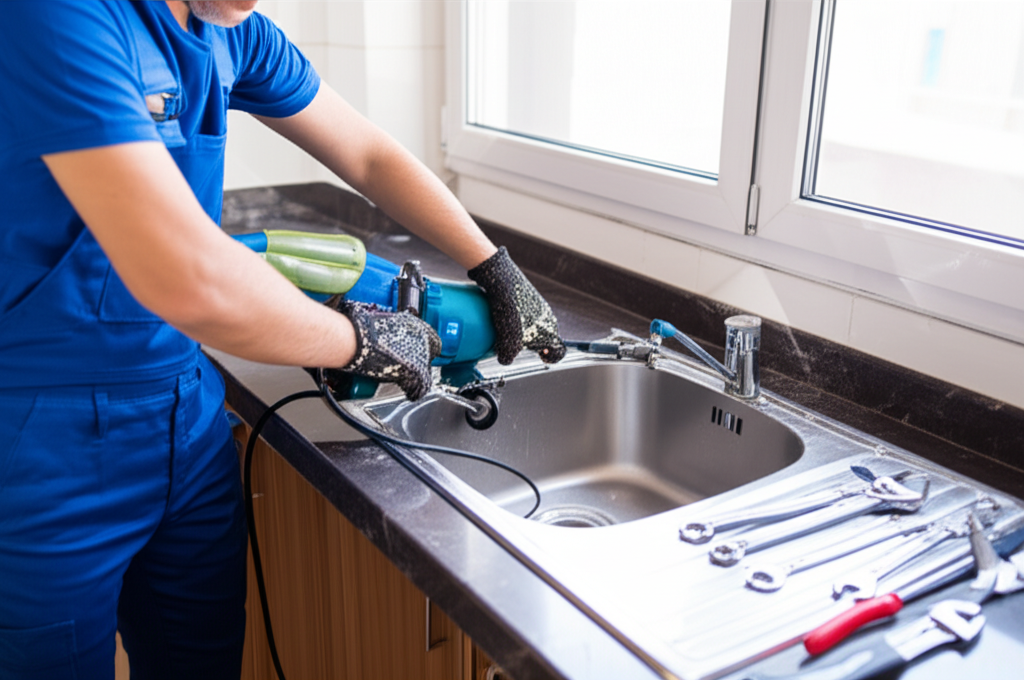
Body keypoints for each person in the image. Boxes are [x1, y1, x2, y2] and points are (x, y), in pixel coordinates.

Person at [0, 2, 565, 678]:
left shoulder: (230, 30)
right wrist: (355, 340)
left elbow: (367, 153)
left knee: (199, 662)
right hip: (39, 442)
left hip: (187, 410)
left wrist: (492, 266)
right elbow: (189, 282)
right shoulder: (60, 15)